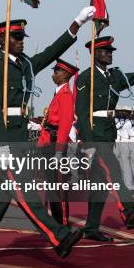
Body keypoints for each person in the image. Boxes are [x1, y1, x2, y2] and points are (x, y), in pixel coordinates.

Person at [0, 6, 95, 264]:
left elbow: (52, 52)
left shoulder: (25, 64)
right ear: (2, 39)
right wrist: (2, 148)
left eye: (23, 37)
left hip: (17, 137)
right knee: (26, 191)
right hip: (3, 141)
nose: (21, 41)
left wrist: (76, 24)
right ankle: (58, 237)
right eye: (16, 37)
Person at [75, 36, 134, 241]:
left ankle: (92, 227)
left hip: (109, 131)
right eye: (106, 51)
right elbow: (82, 113)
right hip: (95, 134)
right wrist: (89, 142)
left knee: (100, 184)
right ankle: (128, 209)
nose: (110, 53)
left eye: (111, 50)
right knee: (113, 169)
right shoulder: (86, 78)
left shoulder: (115, 76)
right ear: (95, 53)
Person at [37, 58, 79, 226]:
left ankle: (62, 223)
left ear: (66, 74)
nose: (53, 74)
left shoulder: (65, 95)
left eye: (56, 71)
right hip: (50, 144)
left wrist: (58, 151)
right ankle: (56, 223)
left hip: (57, 146)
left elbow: (64, 125)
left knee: (58, 188)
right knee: (51, 187)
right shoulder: (58, 94)